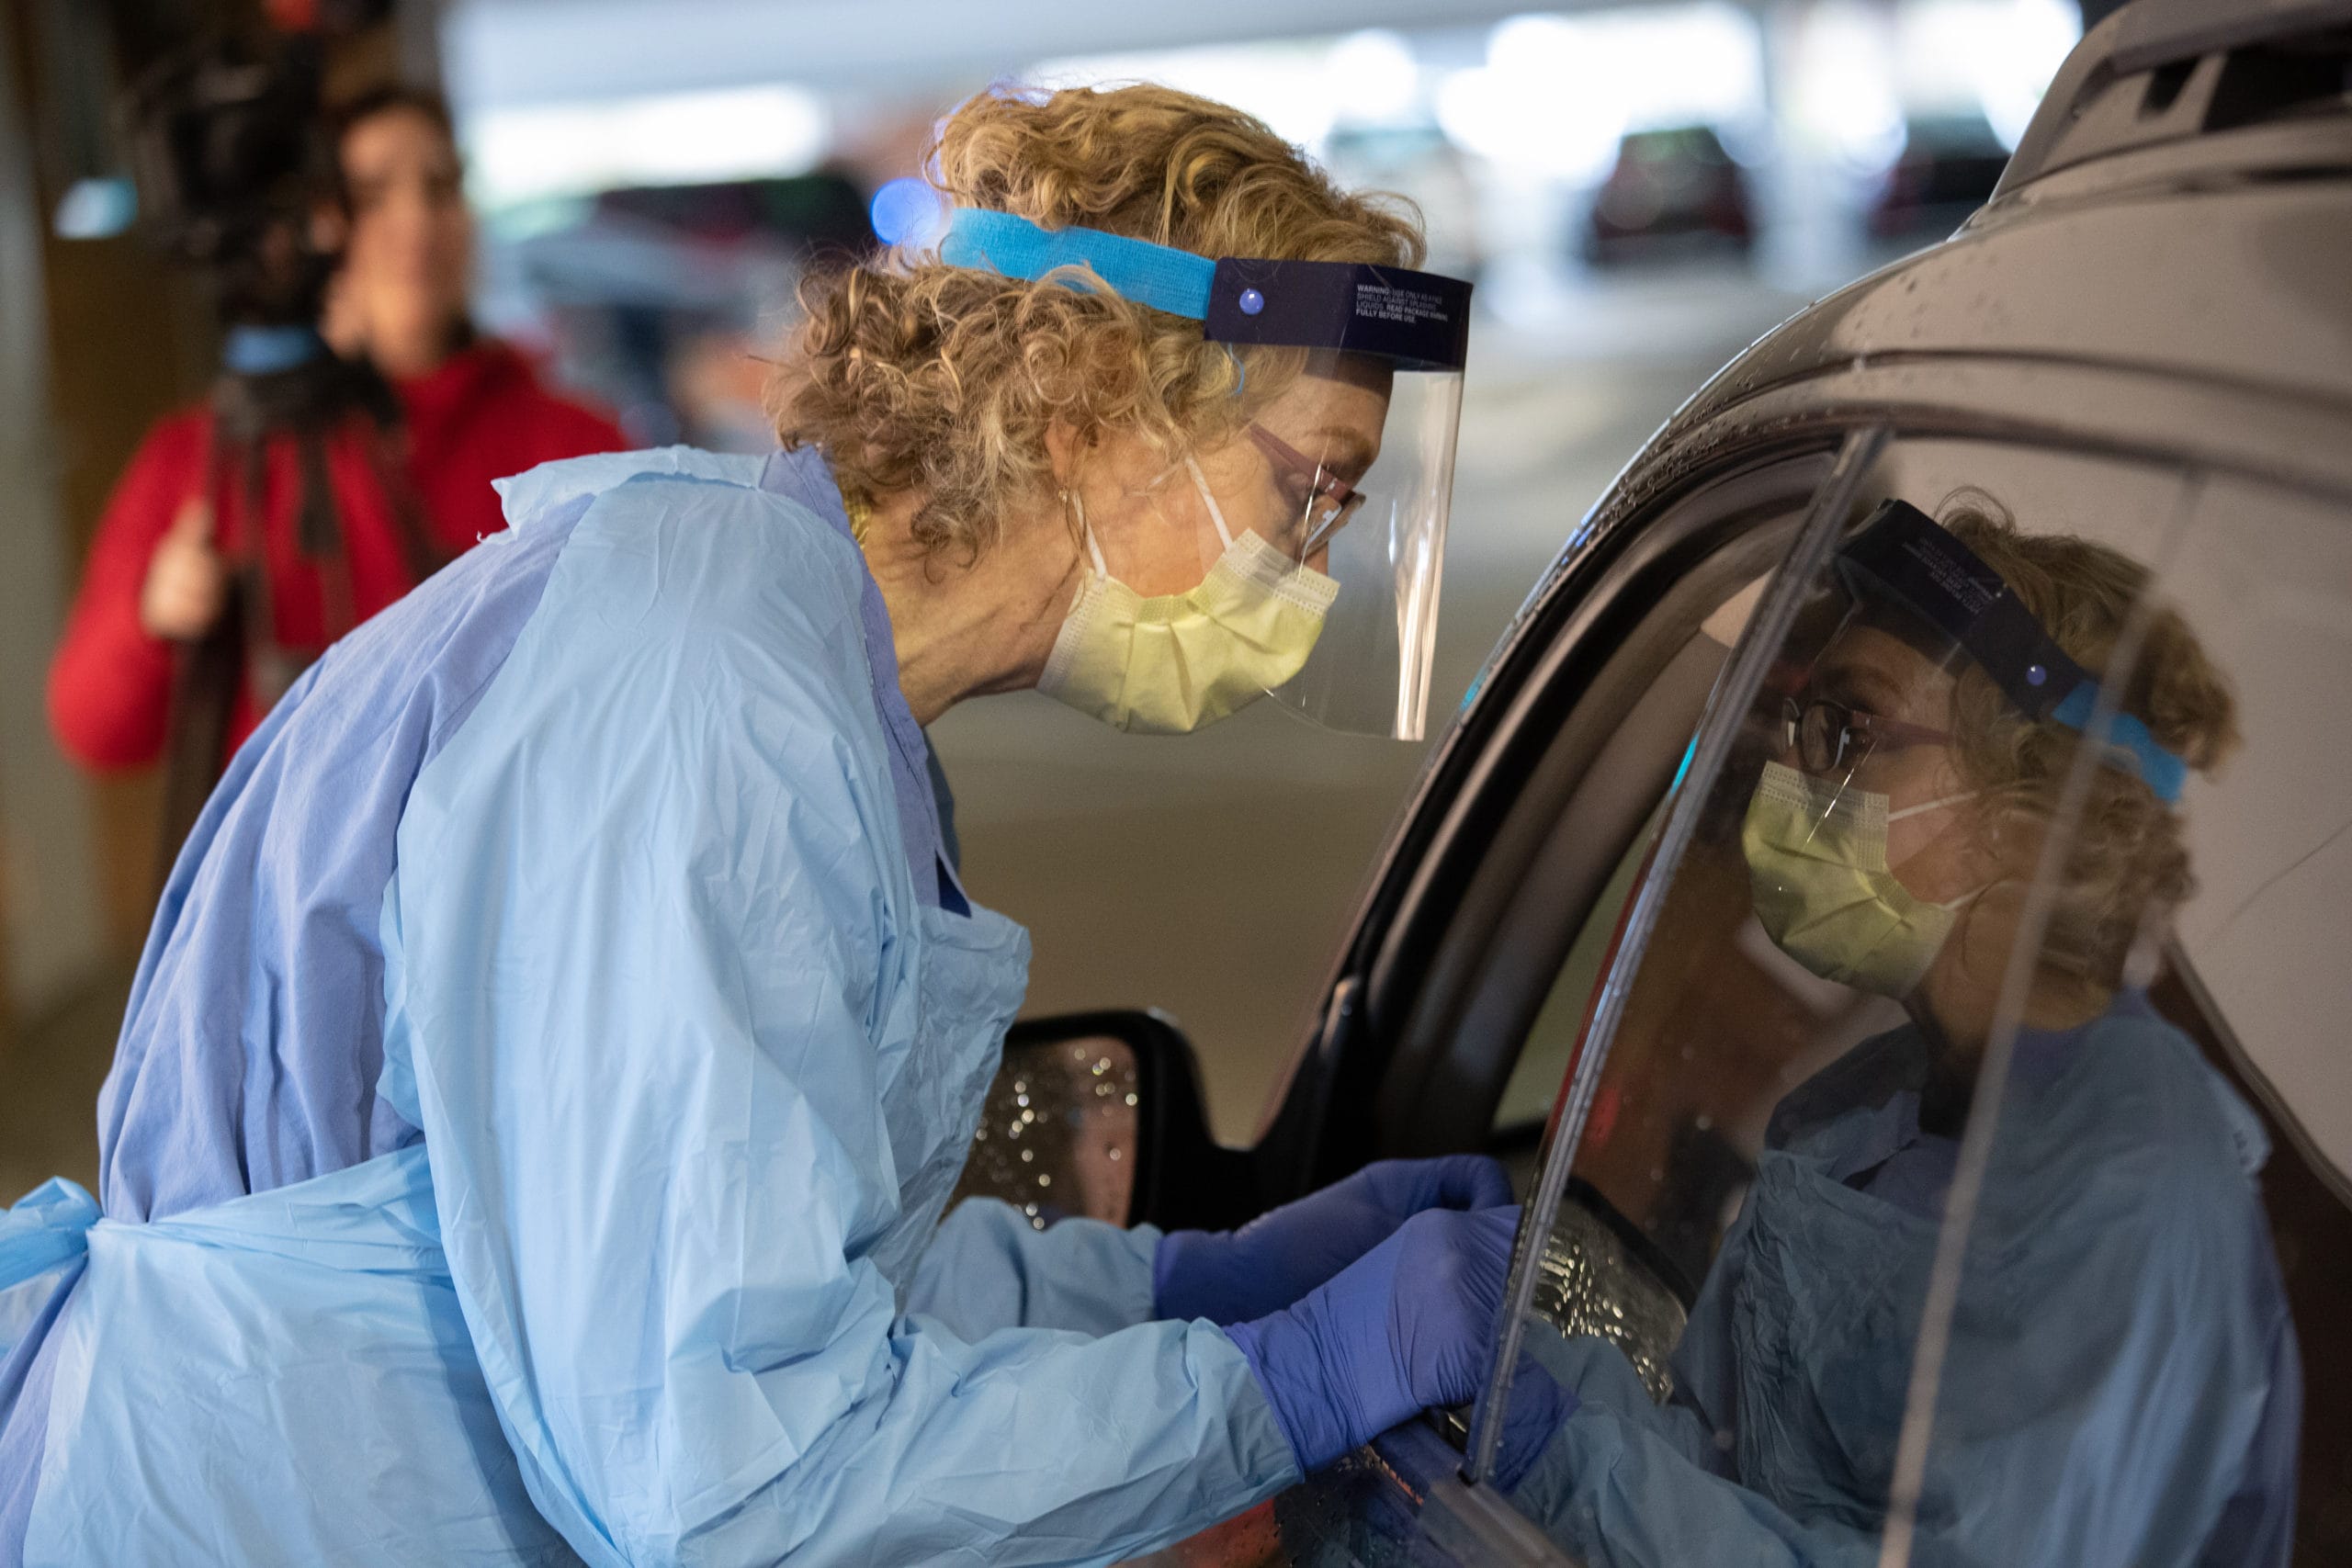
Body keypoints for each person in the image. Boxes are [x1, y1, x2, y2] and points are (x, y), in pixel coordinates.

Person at [0, 85, 1515, 1565]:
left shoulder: (798, 669)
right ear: (1085, 406)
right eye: (1306, 490)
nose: (1308, 573)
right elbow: (734, 1480)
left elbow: (792, 1266)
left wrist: (1192, 1287)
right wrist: (1282, 1382)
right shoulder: (705, 695)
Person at [1502, 501, 2301, 1566]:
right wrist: (1505, 1362)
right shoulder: (1867, 1111)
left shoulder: (2134, 1189)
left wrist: (1545, 1450)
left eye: (1850, 732)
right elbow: (1718, 1478)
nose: (1795, 776)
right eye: (1799, 728)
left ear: (2028, 825)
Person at [45, 85, 621, 776]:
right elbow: (89, 725)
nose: (417, 219)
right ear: (313, 226)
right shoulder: (206, 457)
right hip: (293, 876)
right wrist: (154, 616)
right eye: (372, 194)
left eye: (440, 186)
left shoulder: (571, 439)